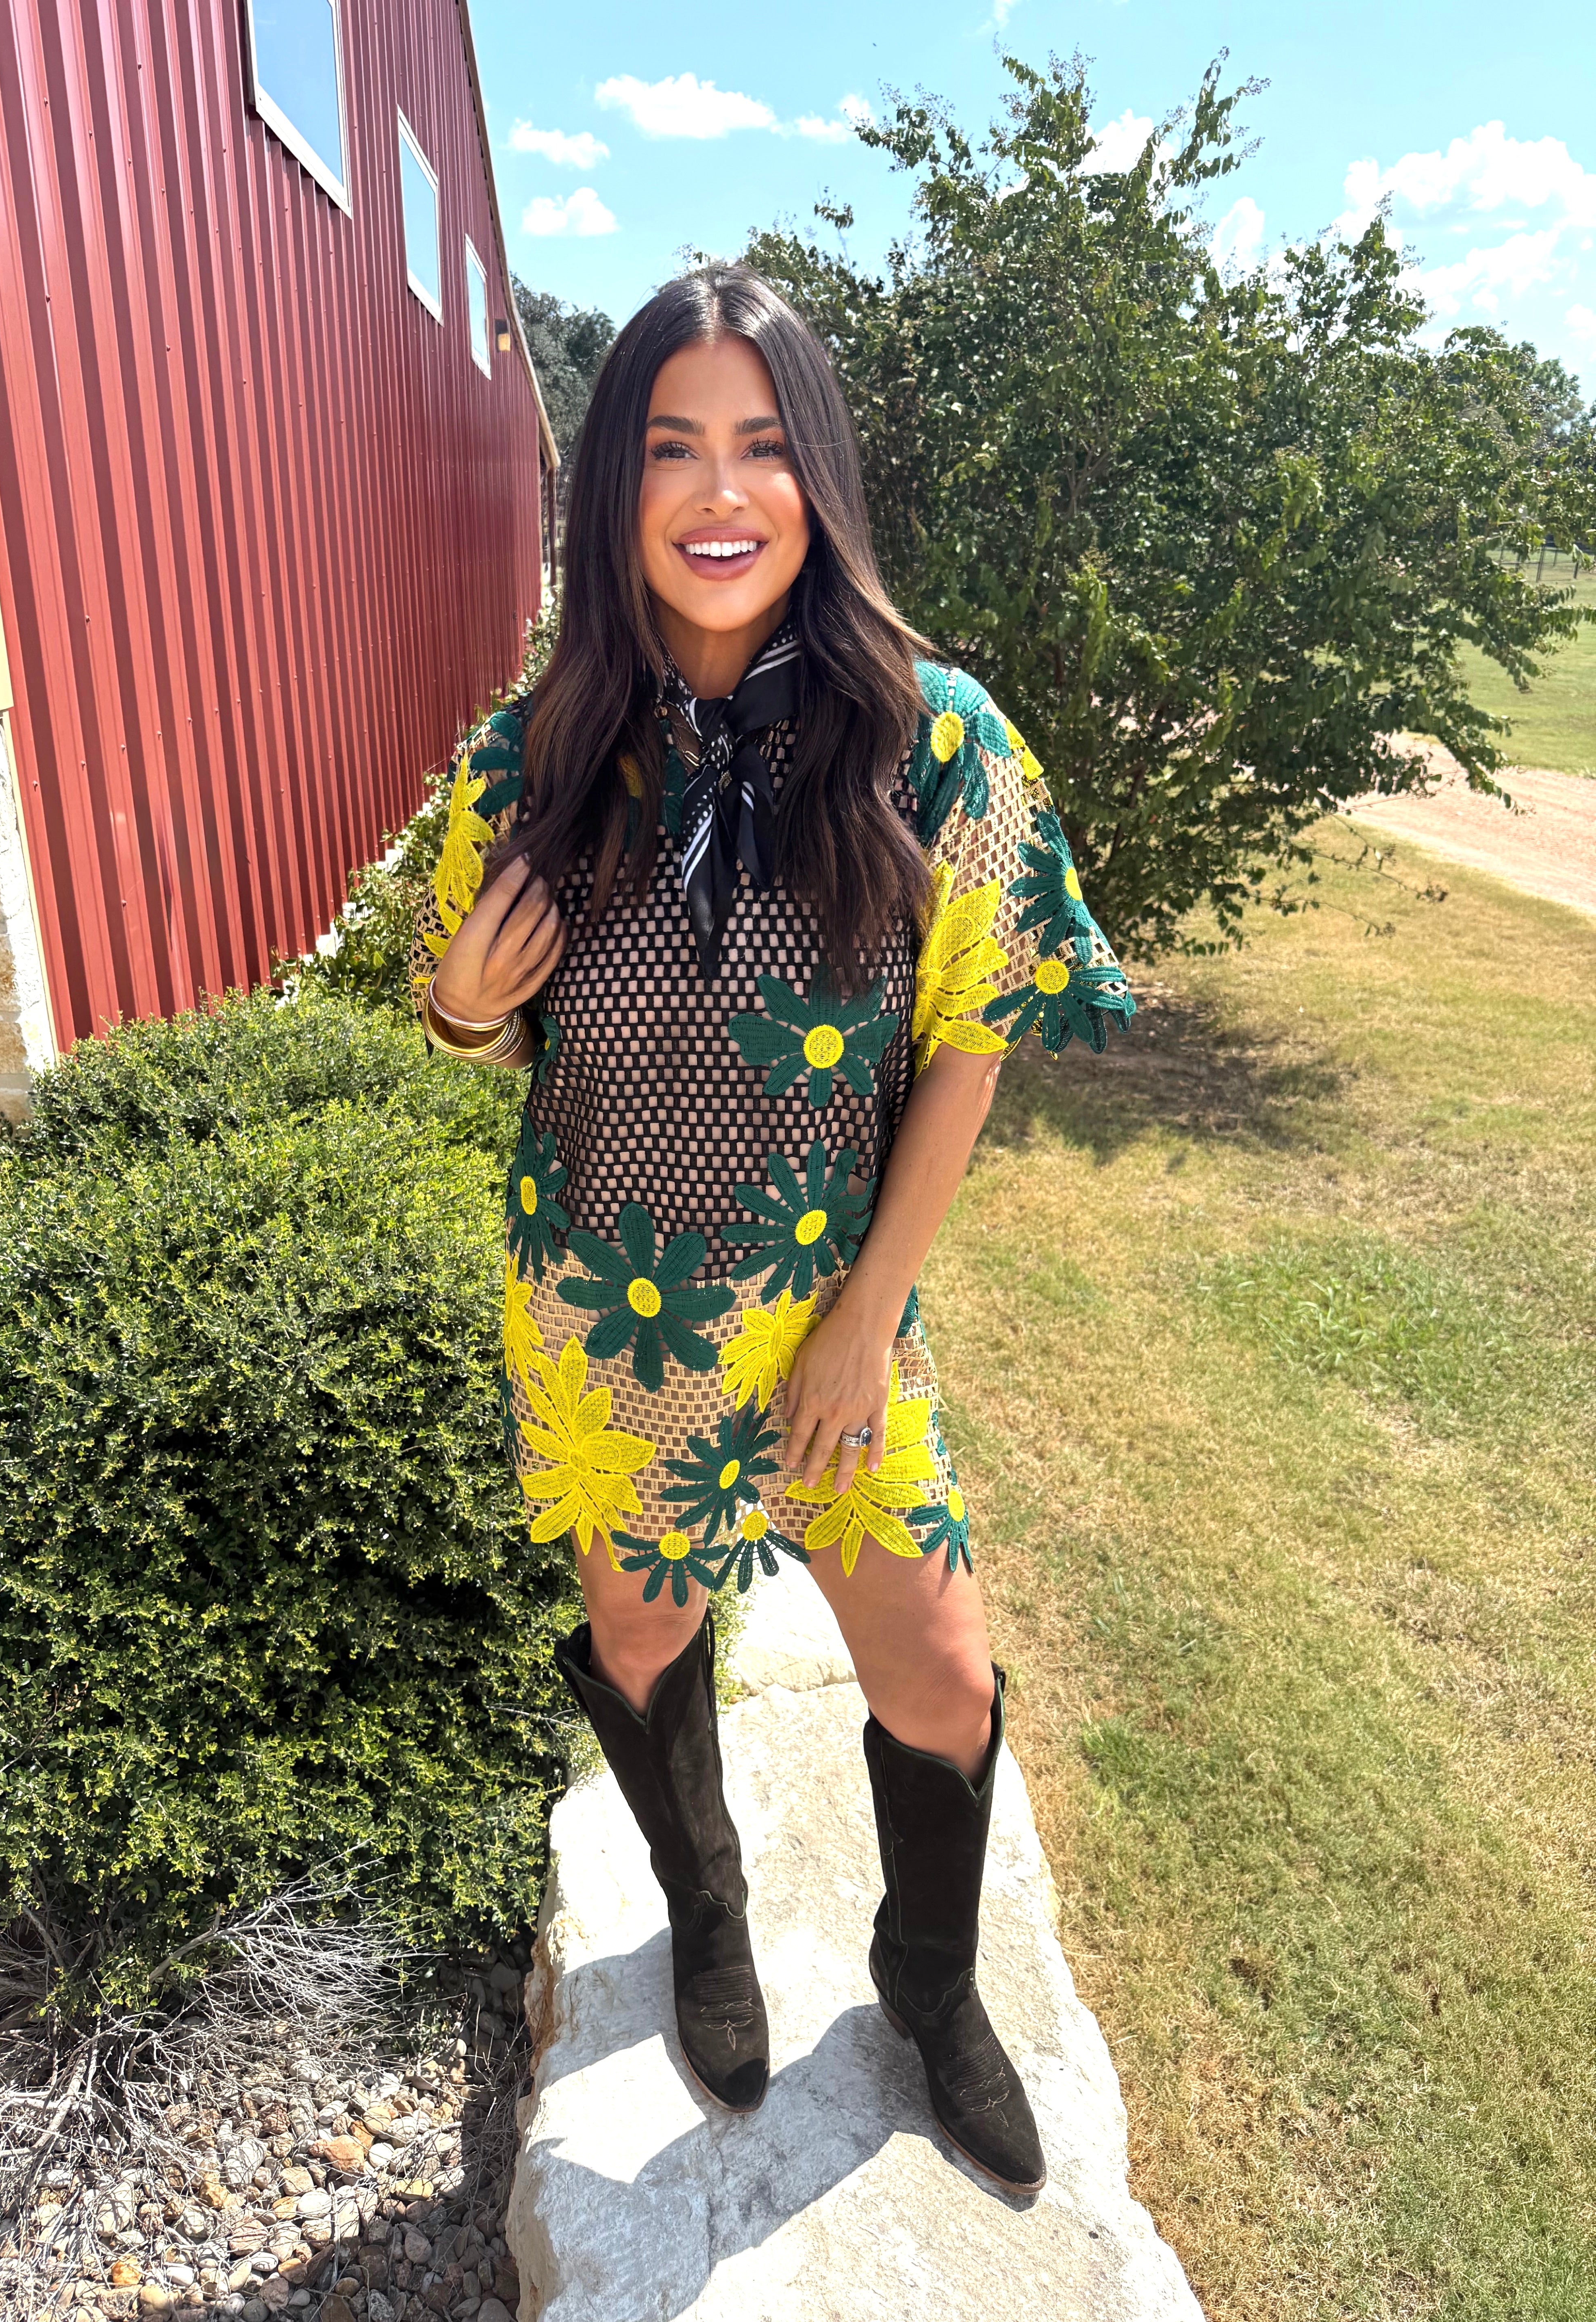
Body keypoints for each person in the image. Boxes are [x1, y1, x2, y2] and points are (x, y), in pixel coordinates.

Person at [410, 264, 1133, 2198]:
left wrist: (868, 1313)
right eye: (672, 448)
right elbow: (468, 1010)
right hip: (613, 1317)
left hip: (834, 1321)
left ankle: (929, 1983)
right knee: (644, 1633)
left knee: (940, 1669)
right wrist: (463, 1005)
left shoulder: (934, 741)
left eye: (761, 445)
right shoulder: (541, 749)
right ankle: (708, 1915)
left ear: (818, 476)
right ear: (615, 488)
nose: (720, 493)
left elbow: (974, 1031)